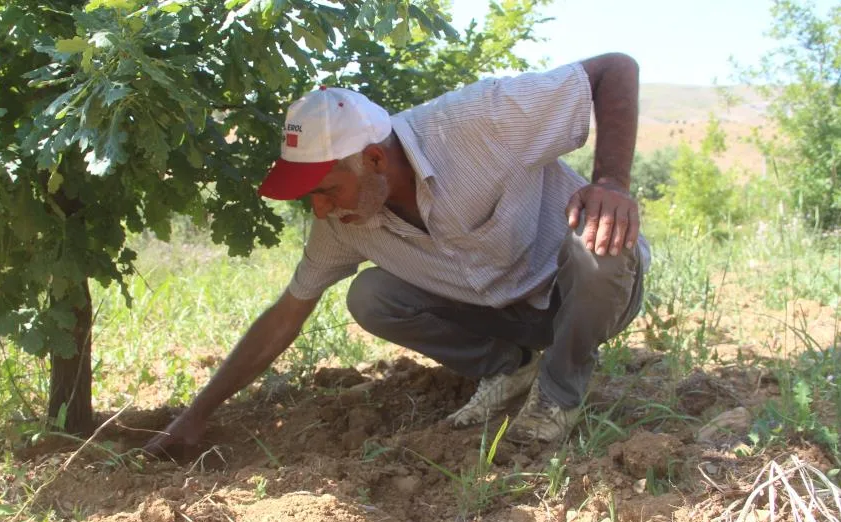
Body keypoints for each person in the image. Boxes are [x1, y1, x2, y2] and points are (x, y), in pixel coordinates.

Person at [144, 52, 649, 459]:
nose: (319, 209)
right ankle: (508, 367)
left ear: (374, 159)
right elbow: (284, 317)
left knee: (599, 242)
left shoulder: (480, 121)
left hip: (584, 296)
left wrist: (610, 182)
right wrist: (196, 413)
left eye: (326, 189)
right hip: (506, 317)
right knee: (371, 296)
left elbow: (614, 70)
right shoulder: (343, 224)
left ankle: (557, 397)